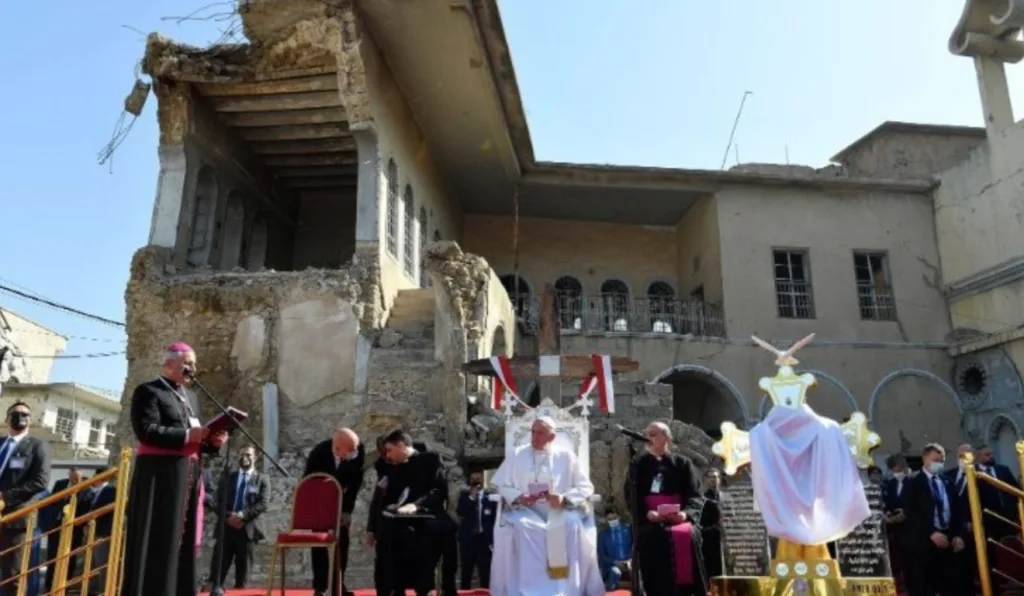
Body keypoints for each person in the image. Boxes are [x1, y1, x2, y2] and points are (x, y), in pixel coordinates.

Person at [119, 343, 228, 596]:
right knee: (160, 538)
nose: (193, 369)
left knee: (184, 540)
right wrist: (191, 434)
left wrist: (213, 443)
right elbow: (147, 431)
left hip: (188, 476)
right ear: (168, 364)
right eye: (188, 363)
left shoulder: (192, 398)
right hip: (159, 477)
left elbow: (195, 442)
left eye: (194, 364)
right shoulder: (148, 391)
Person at [490, 416, 604, 596]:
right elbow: (501, 484)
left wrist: (564, 499)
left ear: (552, 437)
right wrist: (520, 497)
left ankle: (566, 589)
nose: (534, 437)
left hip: (559, 510)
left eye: (540, 433)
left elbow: (585, 487)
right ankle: (528, 590)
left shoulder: (566, 456)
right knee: (524, 527)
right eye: (532, 432)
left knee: (572, 524)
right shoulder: (518, 454)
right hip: (526, 510)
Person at [625, 421, 706, 596]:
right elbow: (631, 496)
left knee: (689, 534)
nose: (649, 437)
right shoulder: (637, 465)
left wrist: (685, 515)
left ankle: (688, 592)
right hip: (650, 519)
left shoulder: (683, 464)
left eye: (654, 433)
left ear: (667, 438)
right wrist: (648, 513)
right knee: (653, 536)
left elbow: (695, 495)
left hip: (679, 519)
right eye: (647, 433)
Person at [373, 429, 447, 596]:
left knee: (423, 543)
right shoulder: (392, 467)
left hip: (426, 518)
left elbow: (439, 490)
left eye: (390, 451)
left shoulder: (430, 460)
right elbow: (383, 499)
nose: (388, 456)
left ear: (401, 446)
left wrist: (417, 506)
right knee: (386, 544)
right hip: (399, 521)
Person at [303, 427, 365, 596]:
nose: (355, 452)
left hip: (343, 501)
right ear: (337, 448)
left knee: (343, 541)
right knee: (319, 543)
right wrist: (321, 510)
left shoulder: (358, 450)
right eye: (350, 450)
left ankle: (338, 584)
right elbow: (308, 483)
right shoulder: (319, 453)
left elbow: (355, 483)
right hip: (320, 503)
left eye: (355, 448)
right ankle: (320, 587)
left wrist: (347, 511)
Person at [0, 401, 51, 596]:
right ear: (6, 418)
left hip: (16, 519)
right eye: (15, 413)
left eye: (24, 414)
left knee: (12, 576)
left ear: (30, 420)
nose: (19, 417)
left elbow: (40, 481)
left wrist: (5, 497)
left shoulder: (38, 446)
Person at [905, 443, 968, 596]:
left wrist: (959, 535)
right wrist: (931, 533)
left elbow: (959, 511)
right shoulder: (913, 482)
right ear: (924, 459)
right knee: (925, 586)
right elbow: (911, 513)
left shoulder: (948, 482)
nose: (938, 464)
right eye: (935, 460)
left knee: (949, 584)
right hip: (924, 543)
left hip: (948, 540)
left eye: (941, 461)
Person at [208, 445, 269, 589]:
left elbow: (263, 503)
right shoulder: (228, 477)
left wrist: (242, 516)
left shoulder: (262, 479)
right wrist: (229, 516)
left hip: (247, 532)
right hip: (226, 530)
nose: (245, 458)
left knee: (243, 578)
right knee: (216, 575)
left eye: (248, 455)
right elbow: (217, 501)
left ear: (255, 457)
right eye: (241, 455)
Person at [41, 467, 84, 592]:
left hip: (73, 530)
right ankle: (48, 587)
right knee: (52, 557)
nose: (76, 480)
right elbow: (52, 503)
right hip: (56, 527)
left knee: (69, 559)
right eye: (74, 477)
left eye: (78, 478)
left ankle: (64, 587)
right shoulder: (60, 484)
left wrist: (79, 487)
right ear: (69, 475)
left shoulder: (86, 487)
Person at [456, 470, 496, 589]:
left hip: (484, 540)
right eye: (473, 479)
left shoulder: (490, 498)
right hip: (468, 539)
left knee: (485, 571)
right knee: (466, 571)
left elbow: (494, 519)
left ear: (483, 480)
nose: (476, 481)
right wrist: (471, 497)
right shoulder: (464, 496)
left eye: (478, 478)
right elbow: (460, 512)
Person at [882, 454, 911, 593]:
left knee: (911, 562)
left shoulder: (913, 482)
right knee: (896, 560)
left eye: (900, 467)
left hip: (911, 528)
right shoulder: (890, 484)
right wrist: (887, 514)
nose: (898, 471)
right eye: (895, 469)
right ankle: (898, 585)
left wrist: (905, 513)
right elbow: (887, 503)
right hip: (894, 529)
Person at [86, 467, 117, 594]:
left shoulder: (111, 491)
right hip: (91, 533)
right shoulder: (93, 492)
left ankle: (103, 591)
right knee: (91, 564)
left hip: (103, 533)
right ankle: (92, 590)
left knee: (101, 564)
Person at [597, 507, 632, 591]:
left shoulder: (627, 531)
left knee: (636, 571)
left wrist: (630, 560)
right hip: (612, 565)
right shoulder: (603, 535)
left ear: (619, 517)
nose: (613, 521)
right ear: (606, 520)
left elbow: (633, 546)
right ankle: (610, 590)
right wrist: (615, 562)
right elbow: (602, 555)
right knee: (615, 572)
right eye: (610, 519)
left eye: (614, 518)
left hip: (629, 562)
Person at [700, 468, 724, 579]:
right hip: (710, 541)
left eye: (716, 477)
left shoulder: (726, 498)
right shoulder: (702, 500)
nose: (714, 480)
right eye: (711, 477)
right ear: (706, 480)